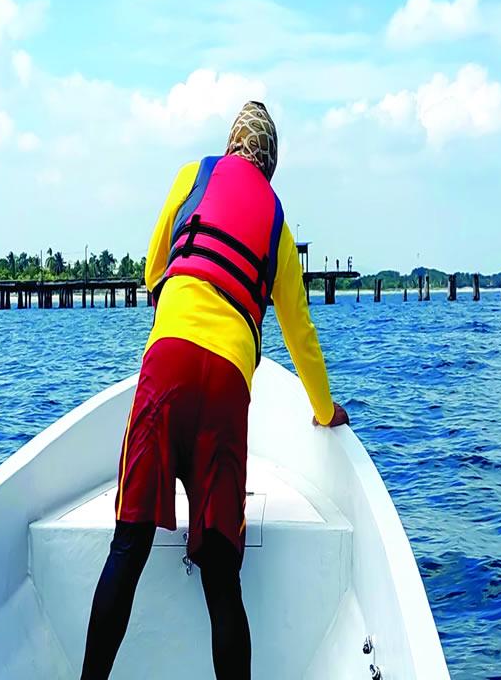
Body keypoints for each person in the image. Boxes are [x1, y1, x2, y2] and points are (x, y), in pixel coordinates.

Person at [80, 101, 350, 680]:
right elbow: (299, 331)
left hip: (169, 360)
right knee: (222, 575)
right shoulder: (277, 224)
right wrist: (324, 410)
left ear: (230, 146)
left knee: (128, 546)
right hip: (227, 382)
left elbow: (155, 266)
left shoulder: (192, 176)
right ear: (270, 166)